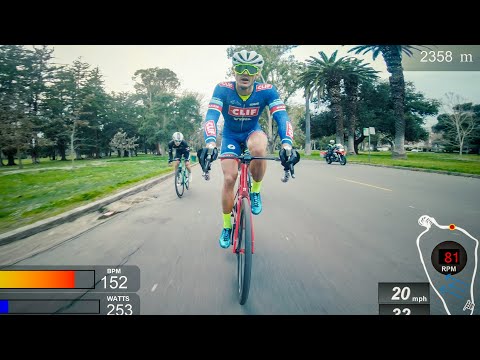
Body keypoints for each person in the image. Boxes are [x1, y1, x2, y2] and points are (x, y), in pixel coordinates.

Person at [198, 49, 299, 249]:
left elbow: (282, 116)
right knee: (229, 178)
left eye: (251, 68)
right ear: (234, 70)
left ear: (257, 73)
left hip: (253, 132)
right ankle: (227, 226)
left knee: (260, 148)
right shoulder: (222, 88)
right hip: (230, 136)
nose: (245, 72)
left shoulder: (267, 90)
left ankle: (255, 192)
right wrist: (210, 142)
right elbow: (211, 116)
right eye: (241, 68)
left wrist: (287, 143)